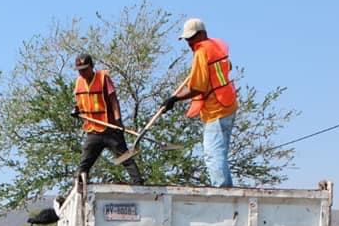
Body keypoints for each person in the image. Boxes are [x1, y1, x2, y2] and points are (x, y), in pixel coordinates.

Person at [161, 18, 239, 187]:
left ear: (202, 34)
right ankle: (228, 192)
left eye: (192, 38)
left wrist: (174, 99)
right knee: (221, 153)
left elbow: (197, 88)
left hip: (216, 109)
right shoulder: (216, 46)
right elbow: (227, 67)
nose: (189, 43)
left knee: (213, 154)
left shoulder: (201, 52)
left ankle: (222, 192)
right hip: (228, 104)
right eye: (187, 39)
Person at [72, 53, 145, 186]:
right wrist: (76, 110)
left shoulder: (103, 78)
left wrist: (118, 120)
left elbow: (114, 100)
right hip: (93, 130)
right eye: (80, 70)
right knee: (84, 163)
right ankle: (81, 187)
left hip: (110, 129)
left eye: (85, 69)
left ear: (92, 67)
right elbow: (79, 103)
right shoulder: (79, 83)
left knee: (125, 158)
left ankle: (138, 184)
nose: (82, 72)